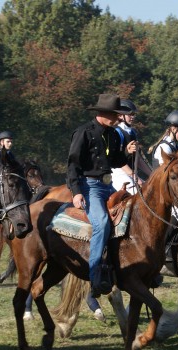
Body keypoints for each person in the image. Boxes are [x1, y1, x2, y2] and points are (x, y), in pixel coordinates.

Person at [67, 93, 137, 298]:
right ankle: (95, 275)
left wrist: (128, 153)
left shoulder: (114, 135)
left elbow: (115, 161)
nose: (118, 118)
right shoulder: (83, 133)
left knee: (131, 216)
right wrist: (76, 192)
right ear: (104, 113)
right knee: (103, 224)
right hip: (90, 186)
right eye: (116, 114)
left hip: (108, 185)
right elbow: (72, 165)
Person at [112, 99, 152, 194]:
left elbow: (138, 160)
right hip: (118, 172)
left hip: (130, 172)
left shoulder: (133, 132)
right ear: (121, 116)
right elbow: (118, 161)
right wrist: (135, 178)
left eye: (134, 114)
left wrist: (153, 174)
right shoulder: (115, 132)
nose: (133, 117)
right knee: (137, 194)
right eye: (130, 114)